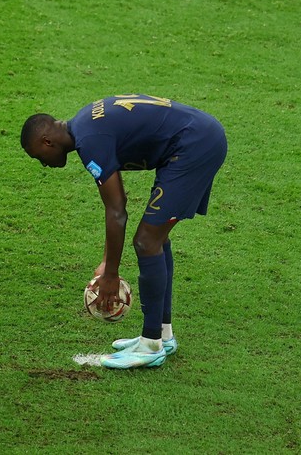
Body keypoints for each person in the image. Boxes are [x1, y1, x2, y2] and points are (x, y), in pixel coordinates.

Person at [20, 94, 227, 369]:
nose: (43, 164)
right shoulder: (84, 124)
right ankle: (162, 335)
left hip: (194, 146)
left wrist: (111, 276)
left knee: (147, 241)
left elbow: (117, 210)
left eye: (39, 157)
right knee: (155, 238)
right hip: (197, 136)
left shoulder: (89, 141)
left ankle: (151, 344)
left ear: (47, 142)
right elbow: (116, 205)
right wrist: (108, 259)